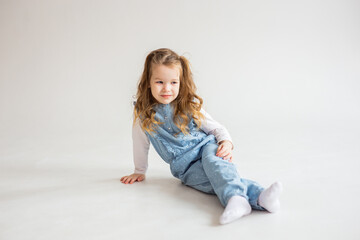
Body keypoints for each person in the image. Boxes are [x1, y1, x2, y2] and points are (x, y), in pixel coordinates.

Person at [120, 48, 282, 225]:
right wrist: (139, 171)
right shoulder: (144, 116)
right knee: (210, 181)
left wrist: (226, 142)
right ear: (148, 82)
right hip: (185, 167)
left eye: (174, 82)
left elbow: (216, 128)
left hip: (206, 147)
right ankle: (260, 197)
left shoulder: (188, 106)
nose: (167, 88)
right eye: (160, 81)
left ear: (181, 83)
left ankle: (235, 197)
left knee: (216, 165)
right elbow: (140, 143)